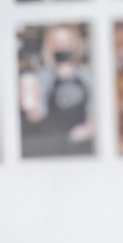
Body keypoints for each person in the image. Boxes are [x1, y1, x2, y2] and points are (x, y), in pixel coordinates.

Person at [19, 25, 95, 159]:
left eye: (67, 41)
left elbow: (96, 111)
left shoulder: (87, 74)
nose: (62, 47)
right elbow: (35, 116)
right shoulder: (41, 76)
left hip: (82, 149)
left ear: (76, 44)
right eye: (56, 42)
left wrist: (88, 129)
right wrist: (30, 100)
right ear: (49, 46)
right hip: (50, 148)